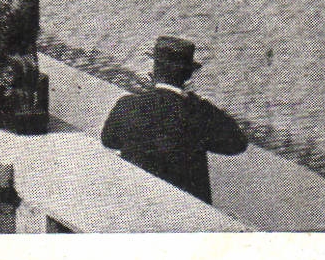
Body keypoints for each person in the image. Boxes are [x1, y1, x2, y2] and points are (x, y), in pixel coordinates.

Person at [101, 36, 247, 204]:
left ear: (154, 70)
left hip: (136, 200)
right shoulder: (200, 113)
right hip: (185, 208)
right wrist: (197, 101)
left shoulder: (128, 104)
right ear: (188, 76)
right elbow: (238, 143)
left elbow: (109, 140)